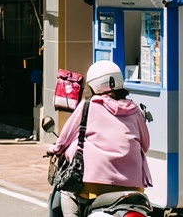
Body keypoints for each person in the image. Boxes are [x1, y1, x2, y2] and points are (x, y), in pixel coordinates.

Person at [47, 61, 151, 217]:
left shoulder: (88, 106)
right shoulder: (134, 109)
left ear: (94, 85)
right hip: (133, 186)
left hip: (94, 184)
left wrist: (55, 149)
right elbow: (145, 144)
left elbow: (64, 138)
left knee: (66, 193)